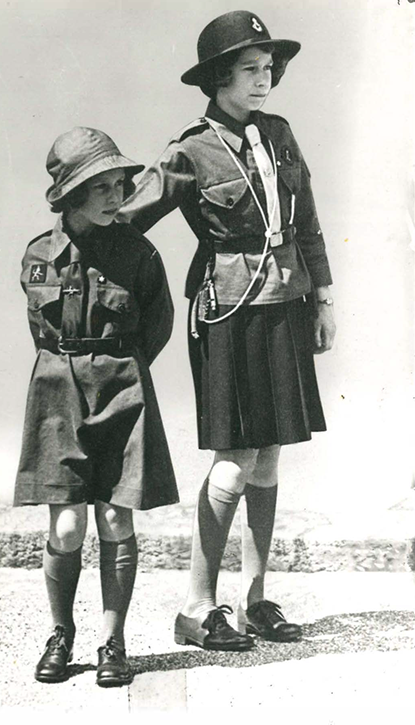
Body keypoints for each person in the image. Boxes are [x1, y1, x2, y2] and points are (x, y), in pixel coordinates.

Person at [118, 10, 336, 651]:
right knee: (235, 463)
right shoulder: (190, 149)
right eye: (250, 69)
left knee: (269, 456)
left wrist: (324, 300)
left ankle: (255, 598)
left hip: (287, 305)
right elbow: (124, 219)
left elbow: (307, 221)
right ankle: (196, 607)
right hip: (230, 313)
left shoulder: (280, 133)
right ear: (219, 77)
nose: (264, 79)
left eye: (269, 68)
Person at [14, 127, 179, 685]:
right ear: (71, 192)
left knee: (113, 516)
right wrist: (72, 367)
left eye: (120, 184)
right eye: (101, 186)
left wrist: (117, 368)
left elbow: (157, 326)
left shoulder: (139, 253)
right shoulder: (38, 254)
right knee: (66, 527)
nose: (117, 196)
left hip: (123, 388)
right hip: (56, 393)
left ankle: (113, 641)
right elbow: (41, 330)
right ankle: (61, 634)